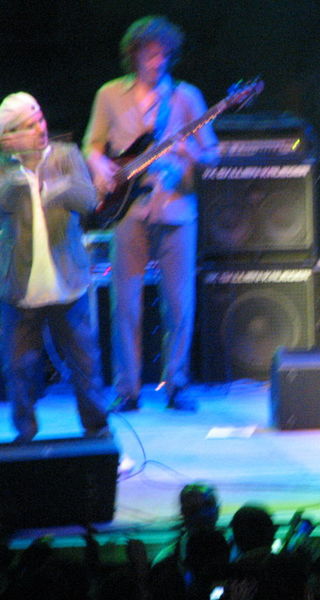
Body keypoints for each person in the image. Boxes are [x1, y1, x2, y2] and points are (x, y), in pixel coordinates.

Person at [83, 15, 218, 412]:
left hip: (177, 208)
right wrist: (101, 170)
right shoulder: (110, 94)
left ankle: (177, 384)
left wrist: (188, 152)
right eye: (150, 54)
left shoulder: (186, 97)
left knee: (179, 302)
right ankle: (127, 390)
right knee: (125, 305)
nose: (158, 62)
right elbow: (92, 146)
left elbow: (212, 153)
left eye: (163, 55)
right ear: (134, 55)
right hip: (128, 209)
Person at [0, 92, 110, 442]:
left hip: (68, 284)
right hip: (21, 289)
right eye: (29, 125)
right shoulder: (4, 168)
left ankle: (97, 430)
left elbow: (88, 199)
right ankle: (25, 436)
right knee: (19, 367)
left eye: (40, 120)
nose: (40, 128)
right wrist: (18, 171)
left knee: (85, 363)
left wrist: (52, 183)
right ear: (10, 135)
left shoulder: (66, 155)